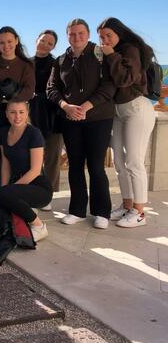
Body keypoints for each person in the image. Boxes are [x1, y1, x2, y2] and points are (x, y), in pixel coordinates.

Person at [47, 18, 115, 229]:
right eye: (72, 34)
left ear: (88, 35)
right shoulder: (60, 60)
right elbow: (51, 89)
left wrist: (86, 106)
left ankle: (101, 212)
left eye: (81, 33)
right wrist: (65, 106)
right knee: (75, 164)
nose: (77, 37)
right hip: (71, 120)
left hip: (98, 119)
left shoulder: (101, 55)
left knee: (95, 165)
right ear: (67, 35)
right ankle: (77, 210)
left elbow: (110, 86)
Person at [98, 17, 157, 228]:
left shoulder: (130, 49)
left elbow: (125, 80)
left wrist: (111, 55)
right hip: (118, 111)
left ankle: (140, 212)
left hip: (136, 108)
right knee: (120, 163)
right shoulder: (109, 54)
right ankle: (127, 205)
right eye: (102, 37)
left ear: (119, 34)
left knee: (134, 161)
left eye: (109, 35)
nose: (105, 40)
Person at [0, 26, 35, 190]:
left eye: (10, 41)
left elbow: (28, 91)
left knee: (19, 158)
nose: (6, 45)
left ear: (16, 41)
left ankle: (18, 197)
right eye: (2, 42)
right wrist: (8, 96)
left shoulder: (26, 65)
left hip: (17, 117)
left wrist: (5, 97)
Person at [0, 100, 52, 242]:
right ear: (7, 114)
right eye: (12, 112)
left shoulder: (34, 133)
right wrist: (3, 188)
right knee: (1, 197)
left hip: (39, 187)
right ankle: (27, 212)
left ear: (27, 114)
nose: (17, 116)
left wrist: (10, 189)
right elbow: (5, 164)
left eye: (21, 112)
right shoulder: (3, 133)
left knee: (6, 194)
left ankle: (39, 226)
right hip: (18, 184)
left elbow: (35, 171)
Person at [29, 30, 64, 209]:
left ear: (53, 47)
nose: (45, 45)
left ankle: (48, 195)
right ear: (37, 40)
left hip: (53, 115)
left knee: (52, 157)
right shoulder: (26, 62)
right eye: (43, 40)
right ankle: (35, 192)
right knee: (32, 157)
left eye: (50, 43)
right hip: (30, 114)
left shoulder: (56, 63)